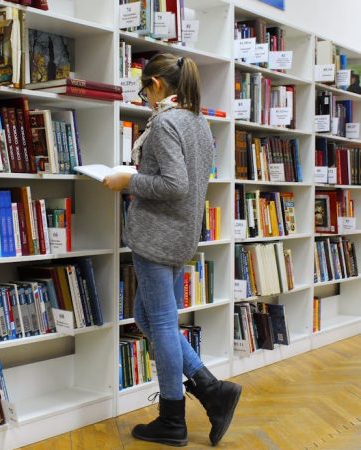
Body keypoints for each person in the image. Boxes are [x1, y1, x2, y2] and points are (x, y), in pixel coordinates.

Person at [103, 53, 242, 447]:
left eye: (144, 89)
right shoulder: (198, 121)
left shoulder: (165, 123)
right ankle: (210, 388)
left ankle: (172, 418)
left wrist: (128, 180)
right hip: (181, 234)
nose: (144, 97)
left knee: (160, 322)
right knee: (145, 315)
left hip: (157, 235)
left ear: (157, 85)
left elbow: (174, 185)